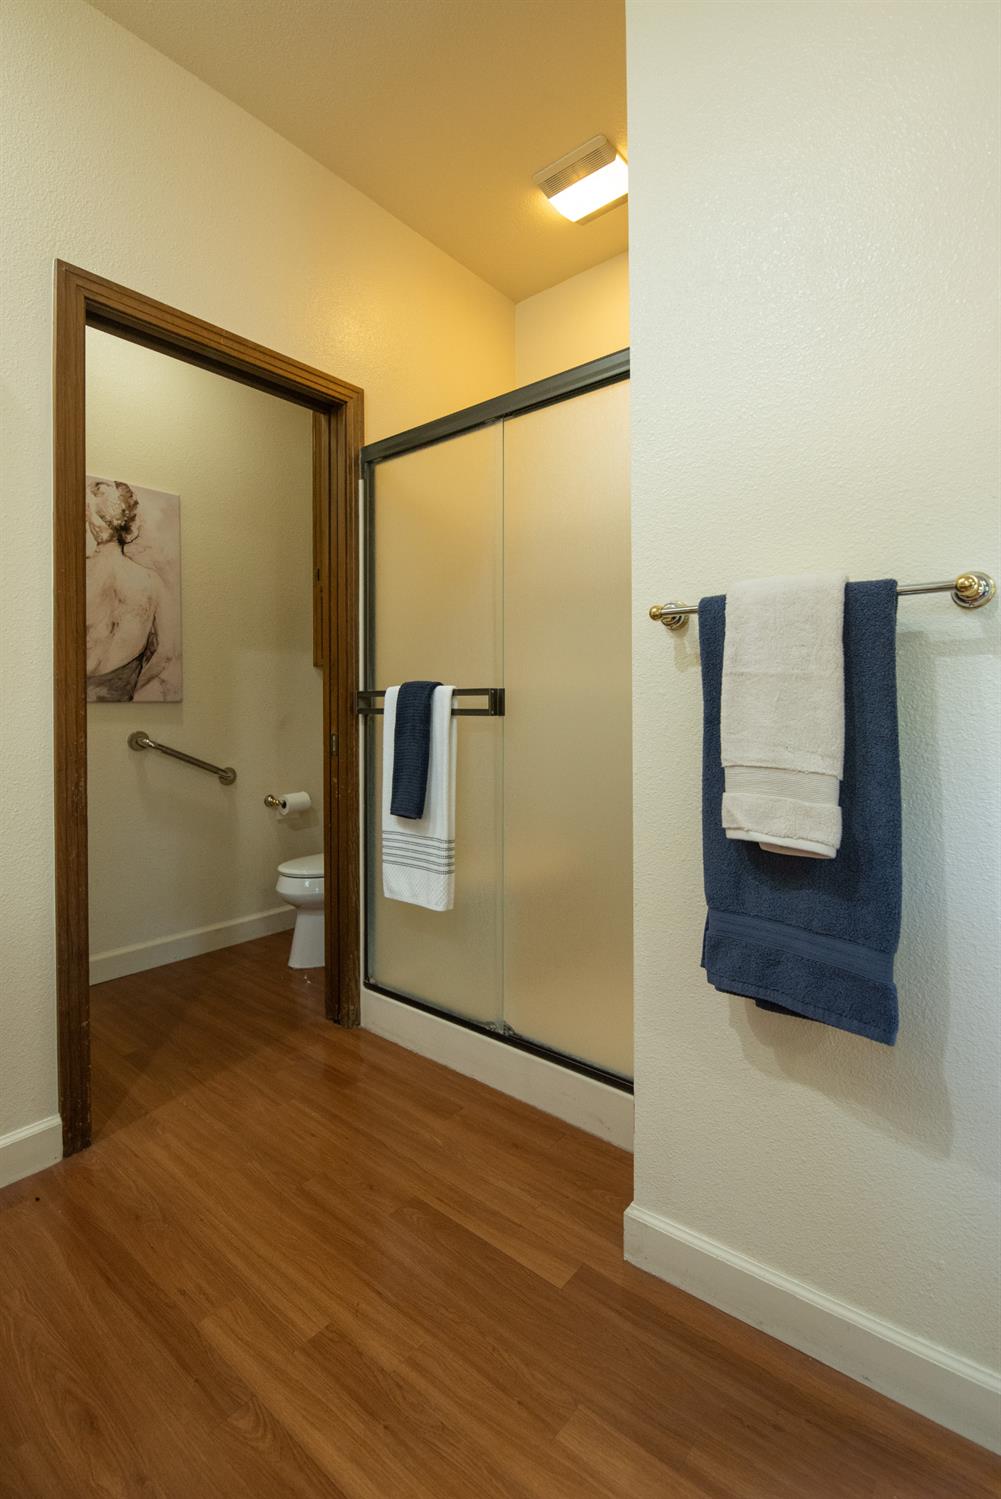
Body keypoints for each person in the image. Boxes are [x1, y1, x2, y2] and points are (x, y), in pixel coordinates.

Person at [85, 479, 169, 701]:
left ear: (93, 522)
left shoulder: (78, 576)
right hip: (121, 693)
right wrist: (129, 689)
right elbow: (165, 652)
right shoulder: (151, 581)